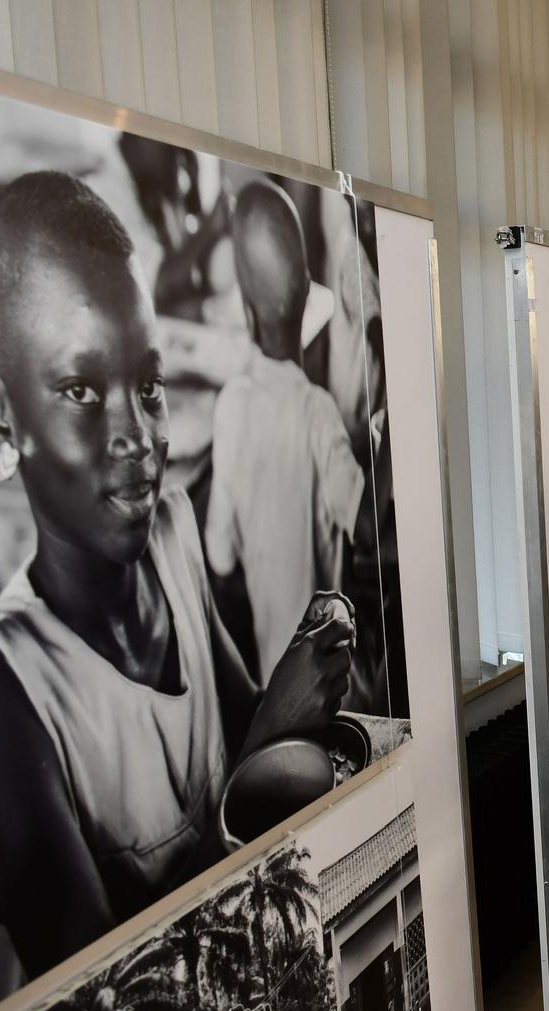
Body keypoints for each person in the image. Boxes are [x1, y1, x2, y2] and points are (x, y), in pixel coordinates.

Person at [0, 171, 355, 1007]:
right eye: (82, 391)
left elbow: (242, 738)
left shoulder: (171, 537)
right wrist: (273, 727)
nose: (137, 437)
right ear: (0, 415)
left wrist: (303, 683)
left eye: (147, 387)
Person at [204, 180, 367, 682]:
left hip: (275, 685)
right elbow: (366, 521)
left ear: (247, 312)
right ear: (306, 294)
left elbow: (220, 556)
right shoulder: (317, 412)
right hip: (334, 684)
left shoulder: (231, 407)